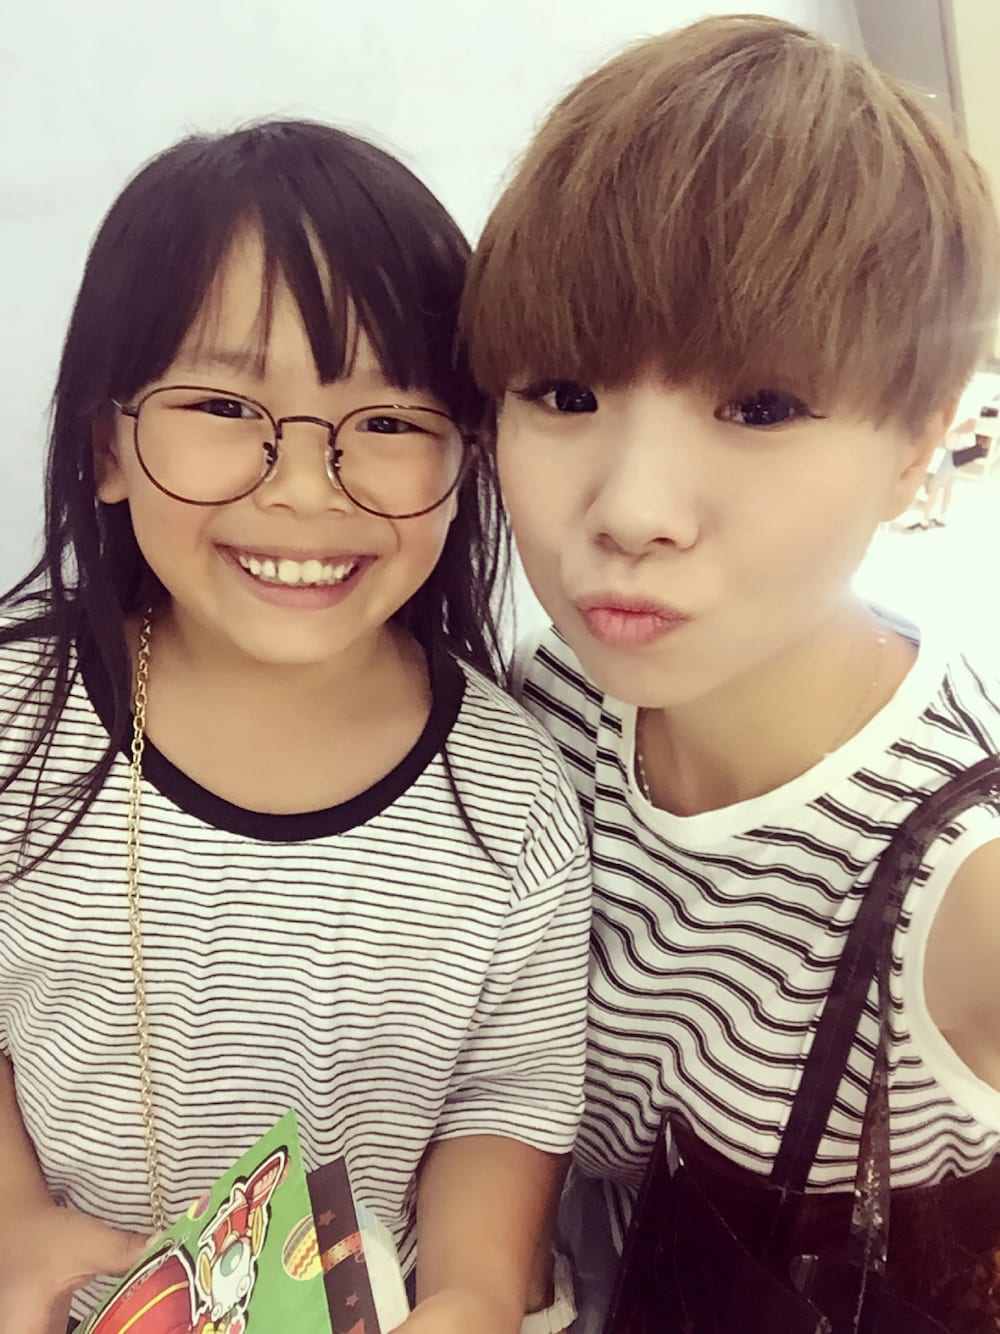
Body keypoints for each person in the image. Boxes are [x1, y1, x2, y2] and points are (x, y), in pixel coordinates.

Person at [0, 121, 592, 1334]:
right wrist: (14, 1217)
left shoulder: (514, 793)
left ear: (468, 455)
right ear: (108, 445)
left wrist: (474, 1290)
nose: (306, 488)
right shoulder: (17, 719)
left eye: (388, 420)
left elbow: (505, 1094)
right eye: (225, 403)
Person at [462, 14, 1000, 1331]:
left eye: (759, 407)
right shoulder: (556, 700)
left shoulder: (970, 882)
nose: (631, 510)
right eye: (565, 392)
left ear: (918, 443)